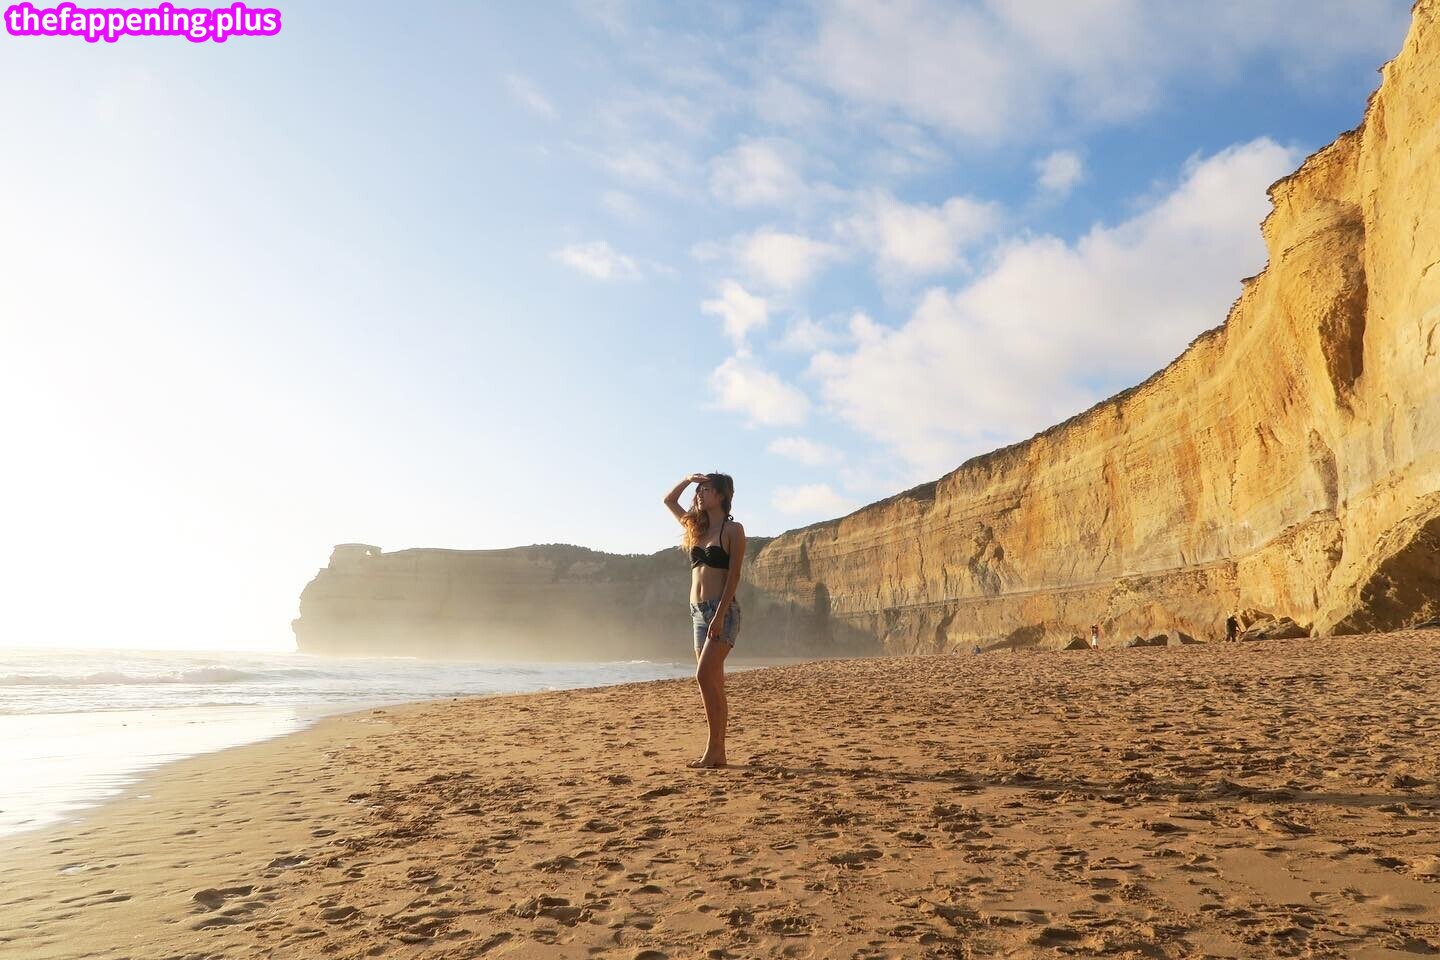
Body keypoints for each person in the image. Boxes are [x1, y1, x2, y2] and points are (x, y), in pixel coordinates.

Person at [662, 472, 746, 769]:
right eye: (698, 491)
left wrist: (720, 615)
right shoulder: (696, 529)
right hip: (697, 613)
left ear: (722, 495)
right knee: (713, 683)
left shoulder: (733, 530)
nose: (699, 494)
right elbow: (669, 500)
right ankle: (718, 752)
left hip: (721, 611)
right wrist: (688, 479)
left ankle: (714, 750)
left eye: (706, 489)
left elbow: (734, 576)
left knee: (703, 676)